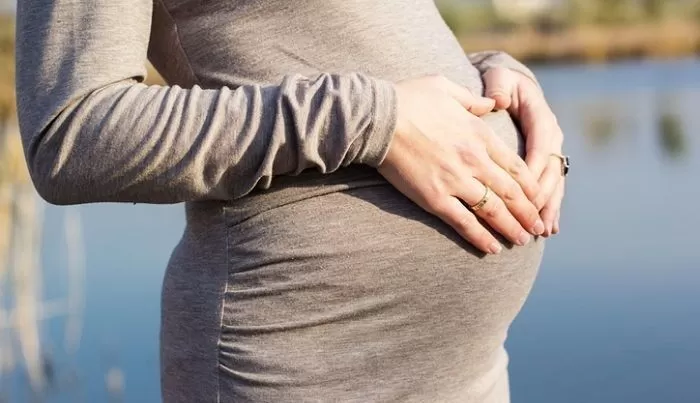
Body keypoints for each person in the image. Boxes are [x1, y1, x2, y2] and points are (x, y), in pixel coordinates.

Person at [15, 0, 567, 402]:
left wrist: (492, 80)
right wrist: (374, 119)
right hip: (300, 357)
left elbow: (339, 36)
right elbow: (70, 133)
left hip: (467, 366)